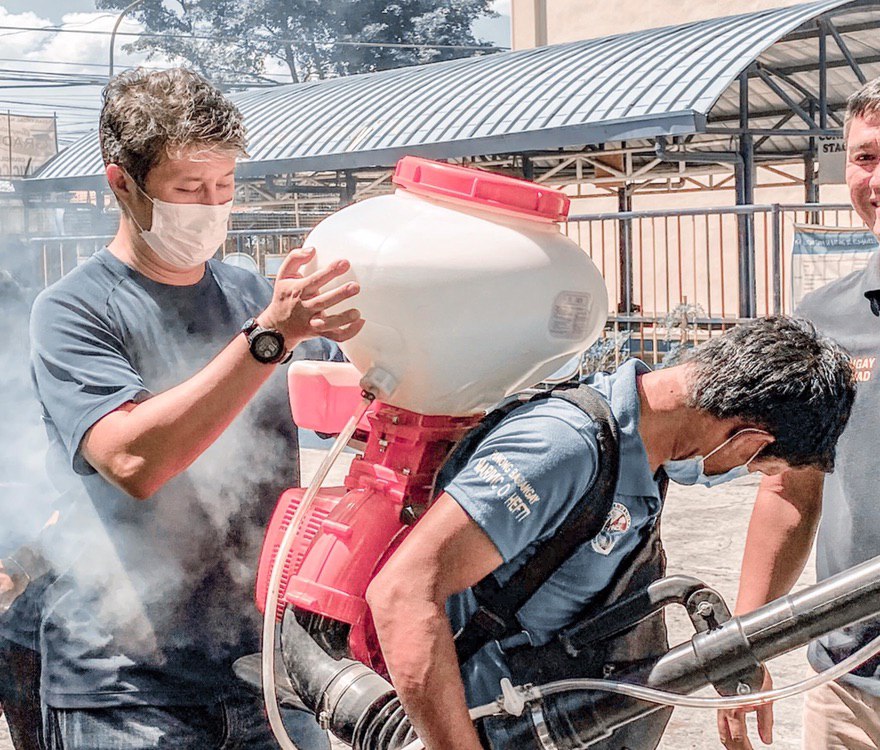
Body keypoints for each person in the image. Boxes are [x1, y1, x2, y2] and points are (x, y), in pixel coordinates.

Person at [28, 67, 363, 750]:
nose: (212, 206)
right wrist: (270, 339)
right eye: (188, 190)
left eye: (225, 187)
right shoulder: (73, 311)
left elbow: (351, 403)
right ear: (120, 183)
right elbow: (133, 458)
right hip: (126, 691)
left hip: (264, 675)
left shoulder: (250, 294)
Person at [364, 316, 855, 750]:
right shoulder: (564, 450)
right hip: (493, 722)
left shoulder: (653, 441)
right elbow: (402, 593)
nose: (743, 473)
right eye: (755, 466)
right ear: (747, 440)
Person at [717, 77, 880, 750]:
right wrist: (743, 644)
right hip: (849, 685)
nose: (877, 177)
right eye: (867, 156)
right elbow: (791, 489)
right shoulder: (825, 324)